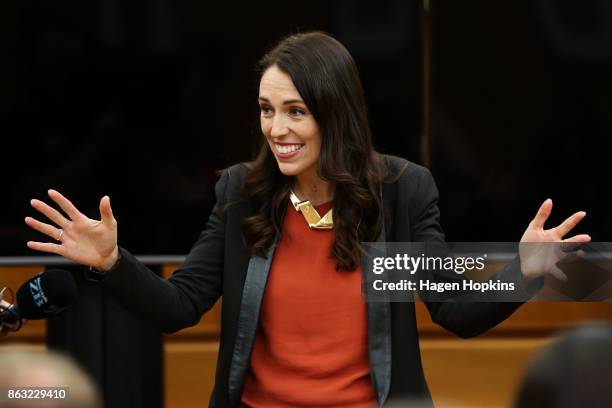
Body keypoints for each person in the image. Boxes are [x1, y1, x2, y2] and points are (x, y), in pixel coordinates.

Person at [24, 32, 590, 407]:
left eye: (296, 111)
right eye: (268, 110)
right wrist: (112, 263)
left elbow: (452, 312)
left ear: (335, 113)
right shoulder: (243, 193)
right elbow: (179, 307)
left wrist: (524, 271)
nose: (277, 129)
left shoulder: (397, 193)